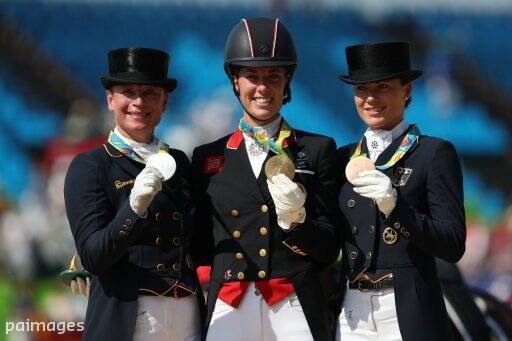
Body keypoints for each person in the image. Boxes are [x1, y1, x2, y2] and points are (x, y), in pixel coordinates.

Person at [190, 17, 342, 341]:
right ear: (235, 81)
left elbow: (329, 247)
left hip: (295, 302)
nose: (262, 87)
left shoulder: (317, 150)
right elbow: (198, 245)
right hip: (230, 304)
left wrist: (299, 223)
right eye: (252, 76)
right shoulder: (207, 159)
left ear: (287, 80)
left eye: (273, 76)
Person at [64, 47, 203, 340]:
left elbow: (201, 241)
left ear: (165, 102)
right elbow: (94, 255)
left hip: (187, 312)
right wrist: (134, 208)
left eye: (150, 93)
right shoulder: (92, 166)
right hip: (129, 312)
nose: (139, 102)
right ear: (110, 99)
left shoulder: (179, 161)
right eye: (128, 92)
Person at [335, 42, 466, 340]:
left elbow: (452, 244)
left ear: (406, 90)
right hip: (351, 313)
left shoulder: (433, 154)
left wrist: (396, 206)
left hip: (407, 308)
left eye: (382, 87)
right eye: (361, 88)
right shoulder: (341, 159)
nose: (370, 98)